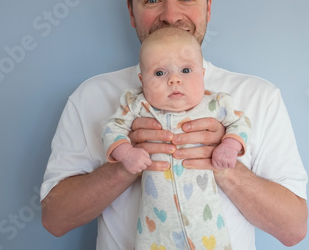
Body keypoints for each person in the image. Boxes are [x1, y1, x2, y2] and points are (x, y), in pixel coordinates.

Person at [41, 0, 308, 249]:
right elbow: (55, 220)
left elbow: (293, 230)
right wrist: (123, 167)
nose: (170, 16)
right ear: (131, 12)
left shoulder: (258, 96)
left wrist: (225, 166)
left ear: (208, 6)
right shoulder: (93, 95)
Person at [103, 27, 250, 249]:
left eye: (185, 70)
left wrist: (229, 146)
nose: (174, 80)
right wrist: (126, 153)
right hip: (156, 231)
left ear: (202, 73)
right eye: (160, 73)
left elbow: (241, 124)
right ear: (142, 80)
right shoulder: (138, 105)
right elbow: (112, 128)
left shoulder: (214, 104)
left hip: (208, 228)